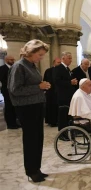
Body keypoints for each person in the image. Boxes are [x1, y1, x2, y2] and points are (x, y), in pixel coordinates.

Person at [7, 39, 51, 183]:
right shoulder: (19, 66)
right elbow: (15, 90)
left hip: (36, 105)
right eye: (40, 55)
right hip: (26, 108)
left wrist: (42, 86)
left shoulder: (31, 65)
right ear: (30, 52)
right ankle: (31, 171)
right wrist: (39, 87)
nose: (41, 58)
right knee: (31, 140)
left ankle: (36, 168)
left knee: (38, 139)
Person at [53, 52, 77, 131]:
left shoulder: (67, 68)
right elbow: (57, 81)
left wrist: (72, 82)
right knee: (62, 115)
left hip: (68, 95)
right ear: (63, 58)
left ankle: (67, 131)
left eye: (71, 58)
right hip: (62, 95)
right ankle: (62, 132)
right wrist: (70, 82)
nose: (71, 60)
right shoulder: (58, 68)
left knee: (67, 114)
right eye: (69, 58)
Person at [0, 55, 19, 129]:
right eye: (11, 60)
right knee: (8, 107)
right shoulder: (2, 68)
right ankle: (10, 124)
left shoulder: (15, 67)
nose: (13, 61)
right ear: (6, 60)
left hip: (15, 90)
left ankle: (15, 122)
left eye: (13, 59)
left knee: (14, 106)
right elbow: (2, 79)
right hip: (7, 90)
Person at [43, 58, 61, 127]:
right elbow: (45, 80)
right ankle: (51, 121)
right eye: (58, 62)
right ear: (54, 63)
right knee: (51, 106)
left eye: (60, 63)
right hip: (51, 92)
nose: (59, 64)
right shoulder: (48, 71)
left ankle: (57, 121)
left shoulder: (61, 70)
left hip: (58, 92)